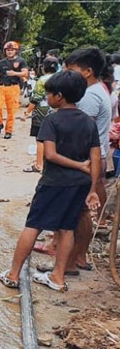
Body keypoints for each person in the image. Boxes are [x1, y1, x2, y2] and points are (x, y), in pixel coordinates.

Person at [0, 70, 101, 292]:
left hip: (54, 182)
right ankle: (57, 277)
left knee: (33, 226)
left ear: (60, 96)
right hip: (80, 184)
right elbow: (94, 158)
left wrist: (76, 165)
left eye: (49, 94)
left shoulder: (52, 120)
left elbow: (50, 155)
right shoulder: (88, 123)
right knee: (66, 229)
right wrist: (92, 187)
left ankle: (13, 274)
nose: (47, 98)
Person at [63, 47, 111, 274]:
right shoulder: (97, 90)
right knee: (80, 210)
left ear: (87, 72)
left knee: (79, 211)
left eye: (72, 71)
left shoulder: (90, 96)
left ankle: (74, 260)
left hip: (85, 160)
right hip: (92, 158)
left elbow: (81, 133)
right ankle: (76, 257)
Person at [23, 57, 60, 173]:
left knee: (40, 139)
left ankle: (39, 165)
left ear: (44, 67)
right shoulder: (61, 78)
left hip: (41, 112)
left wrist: (27, 112)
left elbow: (36, 98)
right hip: (57, 111)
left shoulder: (42, 80)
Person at [0, 41, 29, 139]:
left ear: (16, 51)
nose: (10, 52)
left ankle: (8, 131)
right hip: (1, 87)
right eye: (8, 50)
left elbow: (25, 74)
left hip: (14, 87)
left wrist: (15, 73)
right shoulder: (0, 62)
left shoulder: (21, 61)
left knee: (11, 111)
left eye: (12, 50)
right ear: (5, 51)